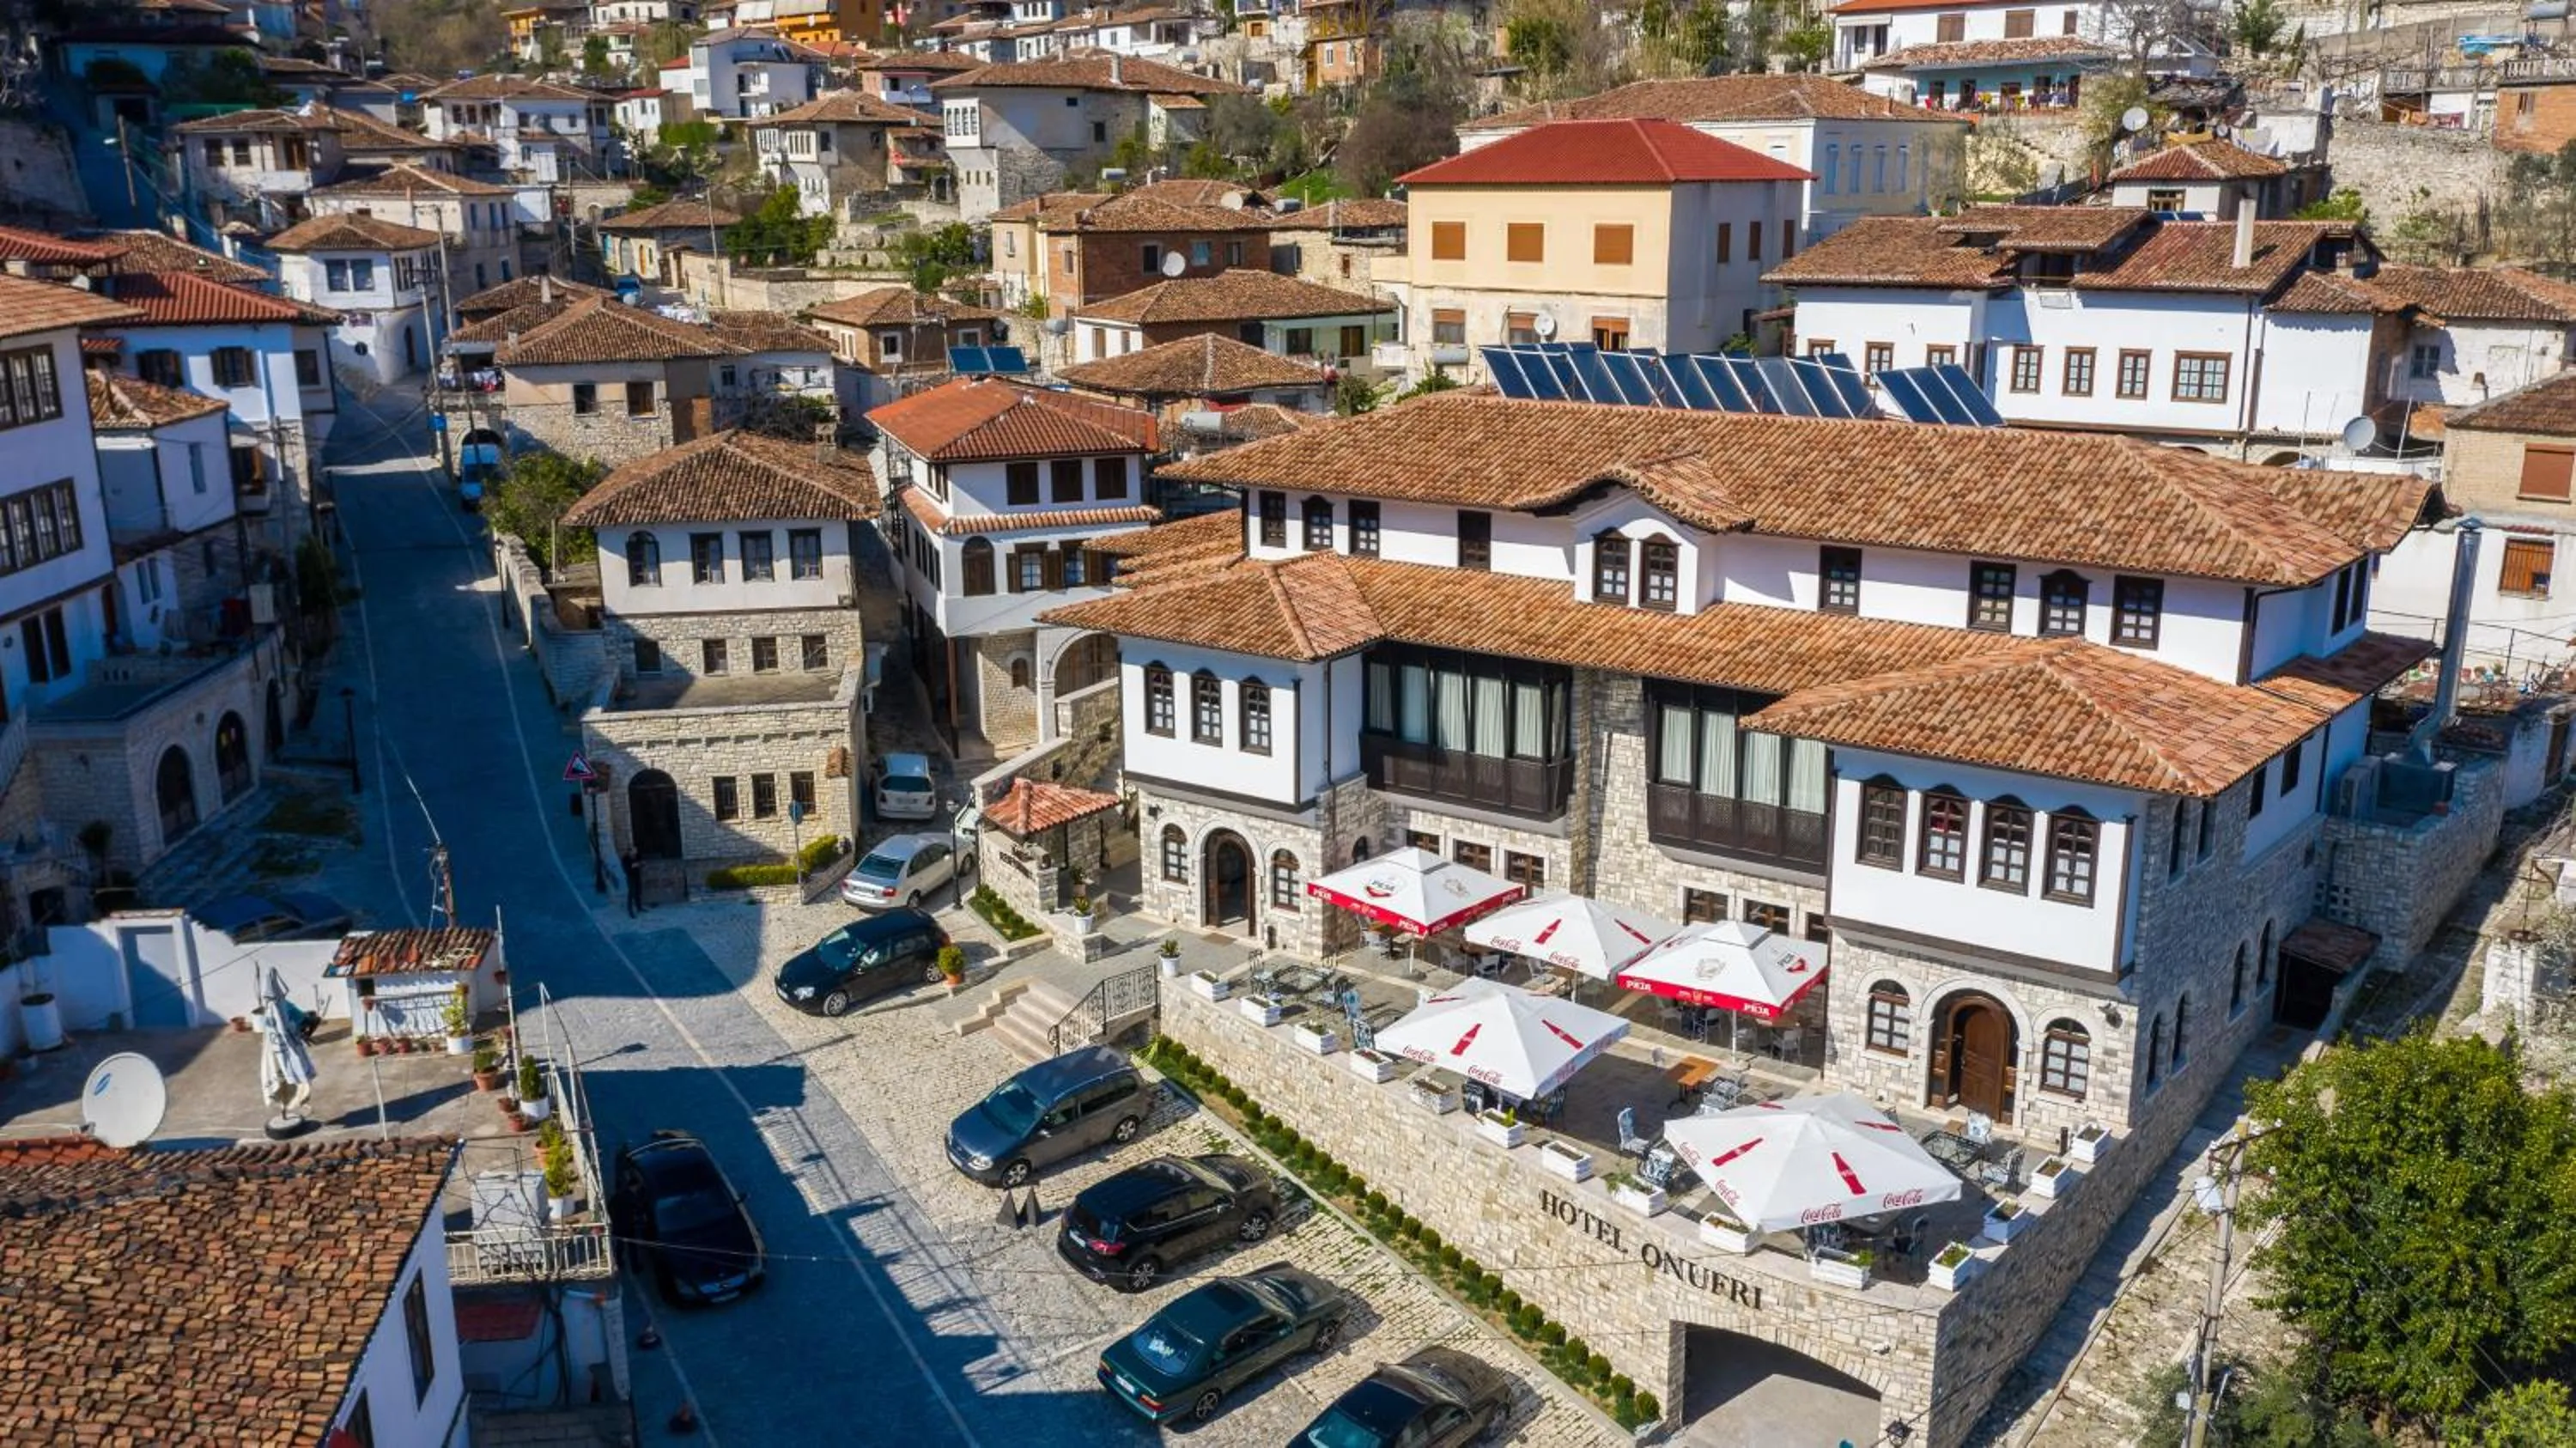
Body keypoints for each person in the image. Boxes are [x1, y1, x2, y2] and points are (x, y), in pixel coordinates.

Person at [622, 849, 645, 916]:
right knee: (631, 893)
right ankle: (630, 910)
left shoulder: (637, 857)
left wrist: (641, 864)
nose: (634, 853)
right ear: (629, 852)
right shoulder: (625, 859)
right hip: (630, 877)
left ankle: (639, 907)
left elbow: (640, 863)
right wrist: (634, 865)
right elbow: (627, 868)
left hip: (637, 876)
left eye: (635, 851)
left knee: (638, 892)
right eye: (633, 852)